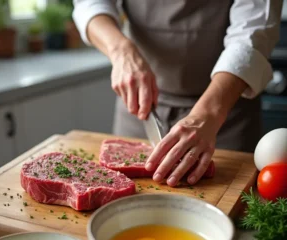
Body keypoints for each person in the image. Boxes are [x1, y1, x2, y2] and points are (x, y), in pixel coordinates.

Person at [73, 0, 283, 187]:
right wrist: (121, 50)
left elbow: (254, 31)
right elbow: (89, 4)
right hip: (140, 106)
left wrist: (209, 113)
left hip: (225, 112)